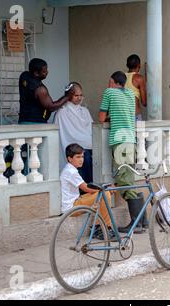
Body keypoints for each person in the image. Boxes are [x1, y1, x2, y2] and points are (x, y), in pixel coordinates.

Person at [99, 71, 146, 234]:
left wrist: (107, 118)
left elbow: (101, 117)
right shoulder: (131, 95)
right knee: (128, 179)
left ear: (112, 82)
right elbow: (127, 114)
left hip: (119, 142)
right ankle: (142, 221)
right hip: (131, 141)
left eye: (109, 82)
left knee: (124, 182)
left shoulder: (109, 92)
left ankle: (136, 223)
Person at [60, 143, 114, 239]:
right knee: (105, 194)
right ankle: (103, 227)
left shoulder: (70, 169)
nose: (81, 160)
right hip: (72, 208)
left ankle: (98, 227)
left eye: (82, 156)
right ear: (69, 158)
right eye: (78, 157)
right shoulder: (71, 172)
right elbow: (86, 188)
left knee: (102, 194)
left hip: (76, 201)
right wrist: (105, 188)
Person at [55, 82, 94, 183]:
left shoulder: (84, 110)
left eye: (81, 95)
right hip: (73, 146)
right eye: (76, 95)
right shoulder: (62, 112)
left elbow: (91, 129)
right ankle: (86, 187)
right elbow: (65, 133)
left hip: (88, 144)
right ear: (69, 95)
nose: (79, 98)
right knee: (85, 157)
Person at [18, 58, 69, 124]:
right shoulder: (40, 90)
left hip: (22, 121)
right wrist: (67, 96)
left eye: (47, 70)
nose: (47, 72)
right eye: (44, 71)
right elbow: (51, 107)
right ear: (36, 73)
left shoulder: (24, 76)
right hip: (36, 124)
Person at [125, 54, 147, 121]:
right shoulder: (139, 78)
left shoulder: (121, 77)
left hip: (123, 116)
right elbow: (144, 102)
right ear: (139, 65)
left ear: (127, 65)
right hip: (135, 115)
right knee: (141, 131)